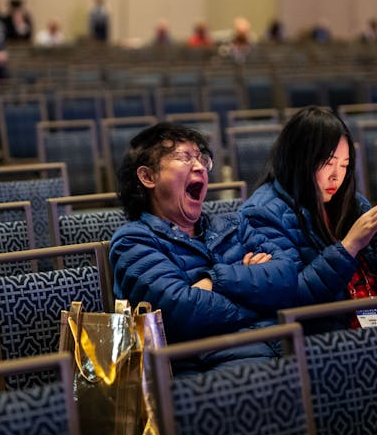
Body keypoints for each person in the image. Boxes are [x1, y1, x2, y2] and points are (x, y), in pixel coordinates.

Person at [110, 123, 323, 371]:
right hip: (213, 372)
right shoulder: (133, 241)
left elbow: (288, 277)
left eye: (202, 159)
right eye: (184, 158)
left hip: (285, 348)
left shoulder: (233, 224)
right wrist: (259, 294)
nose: (200, 167)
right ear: (148, 177)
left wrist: (215, 281)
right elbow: (182, 314)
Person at [239, 106, 377, 332]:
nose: (337, 176)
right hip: (328, 339)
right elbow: (291, 298)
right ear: (300, 159)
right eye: (328, 163)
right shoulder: (262, 214)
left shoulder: (354, 203)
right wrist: (349, 247)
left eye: (345, 165)